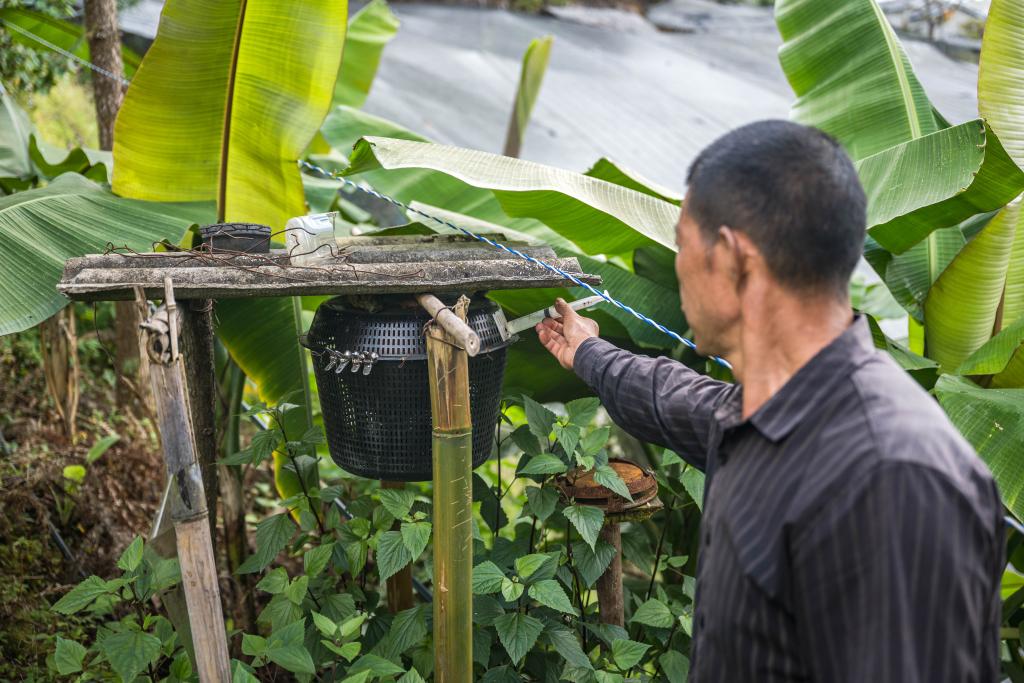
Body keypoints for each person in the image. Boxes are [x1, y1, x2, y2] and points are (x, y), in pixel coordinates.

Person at [535, 120, 1004, 682]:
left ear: (736, 261)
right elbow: (677, 399)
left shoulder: (889, 476)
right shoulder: (767, 414)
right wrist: (589, 353)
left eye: (683, 243)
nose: (679, 264)